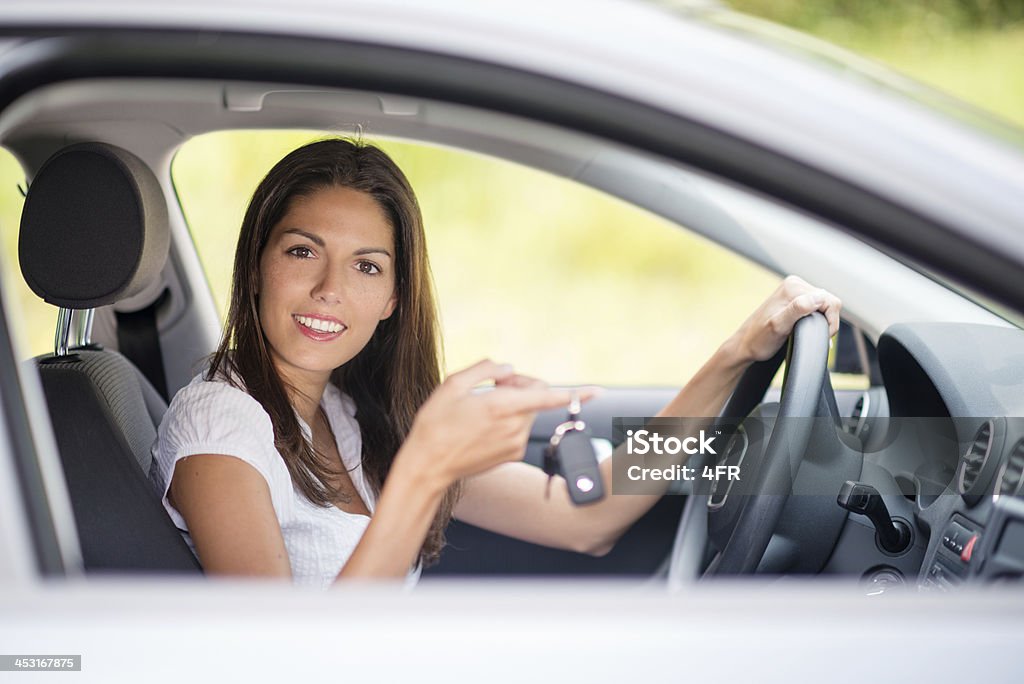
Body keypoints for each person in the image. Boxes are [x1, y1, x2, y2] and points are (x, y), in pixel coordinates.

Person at [150, 138, 841, 588]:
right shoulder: (221, 424)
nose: (330, 288)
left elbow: (586, 519)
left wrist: (735, 355)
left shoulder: (346, 411)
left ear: (394, 297)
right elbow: (281, 664)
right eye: (302, 251)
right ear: (259, 265)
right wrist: (425, 469)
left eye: (366, 265)